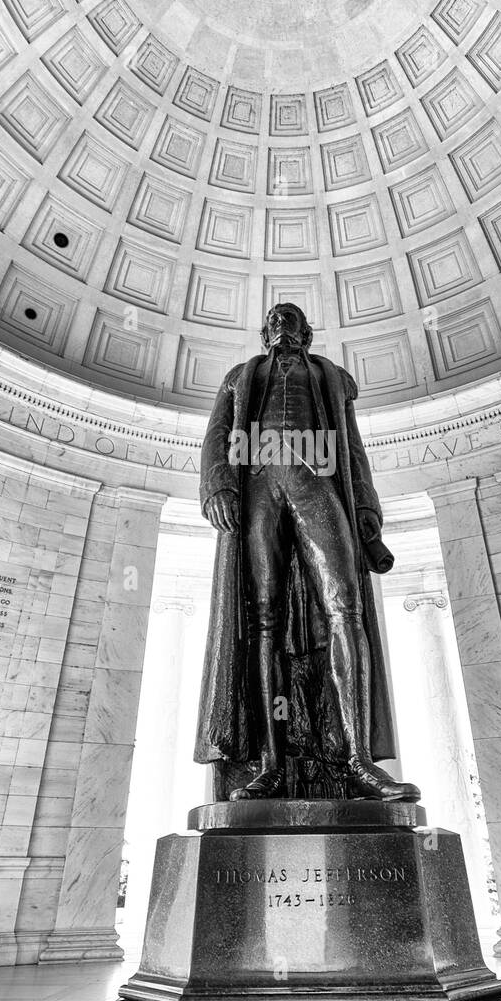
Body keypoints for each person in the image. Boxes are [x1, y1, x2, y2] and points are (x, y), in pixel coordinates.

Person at [195, 301, 419, 803]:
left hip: (317, 480)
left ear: (306, 333)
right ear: (264, 334)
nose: (281, 326)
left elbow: (352, 447)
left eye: (289, 320)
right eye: (273, 321)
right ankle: (271, 763)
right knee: (263, 621)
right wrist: (216, 484)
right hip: (258, 486)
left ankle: (358, 759)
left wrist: (365, 504)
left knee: (346, 609)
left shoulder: (331, 377)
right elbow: (216, 436)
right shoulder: (240, 378)